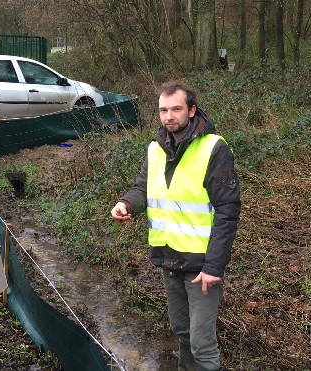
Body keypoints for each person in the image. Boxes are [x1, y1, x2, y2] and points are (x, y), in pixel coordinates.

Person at [110, 81, 241, 371]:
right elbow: (142, 188)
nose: (169, 116)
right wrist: (126, 203)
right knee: (182, 332)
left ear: (192, 111)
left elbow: (228, 211)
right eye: (163, 110)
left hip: (201, 265)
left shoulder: (213, 149)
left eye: (177, 109)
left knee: (202, 344)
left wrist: (214, 266)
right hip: (169, 257)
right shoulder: (155, 149)